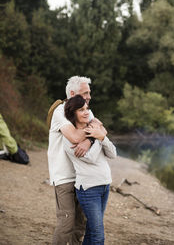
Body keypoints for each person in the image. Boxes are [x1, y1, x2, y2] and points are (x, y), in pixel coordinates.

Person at [48, 76, 101, 245]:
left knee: (79, 225)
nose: (89, 96)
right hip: (63, 176)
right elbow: (74, 136)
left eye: (89, 93)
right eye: (85, 93)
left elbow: (101, 129)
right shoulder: (60, 111)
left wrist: (89, 141)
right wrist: (92, 133)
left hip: (82, 176)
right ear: (72, 93)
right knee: (66, 222)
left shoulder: (87, 110)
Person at [64, 94, 117, 245]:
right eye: (81, 110)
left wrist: (101, 137)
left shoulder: (94, 130)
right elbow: (91, 158)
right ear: (72, 113)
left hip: (105, 185)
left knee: (91, 232)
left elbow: (113, 153)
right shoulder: (69, 138)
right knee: (98, 235)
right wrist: (96, 137)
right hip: (88, 190)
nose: (86, 112)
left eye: (87, 108)